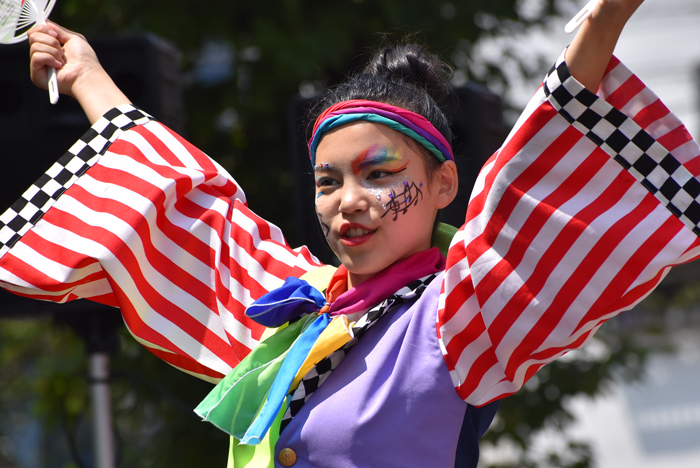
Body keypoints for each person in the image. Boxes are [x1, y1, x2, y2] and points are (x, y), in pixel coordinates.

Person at [3, 0, 698, 466]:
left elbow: (533, 179)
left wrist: (605, 19)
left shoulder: (461, 314)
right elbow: (189, 208)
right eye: (328, 182)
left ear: (444, 187)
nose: (348, 203)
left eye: (378, 174)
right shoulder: (292, 308)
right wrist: (87, 75)